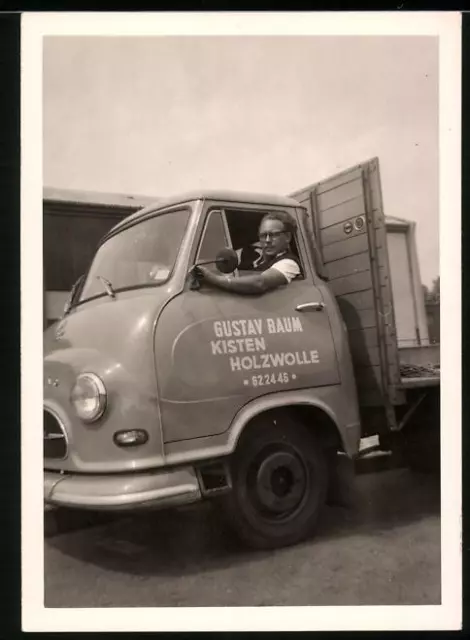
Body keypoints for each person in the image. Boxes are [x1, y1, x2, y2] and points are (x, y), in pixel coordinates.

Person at [193, 211, 301, 295]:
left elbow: (260, 283)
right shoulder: (250, 254)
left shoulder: (289, 263)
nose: (267, 240)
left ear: (287, 237)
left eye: (274, 235)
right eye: (263, 235)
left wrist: (212, 278)